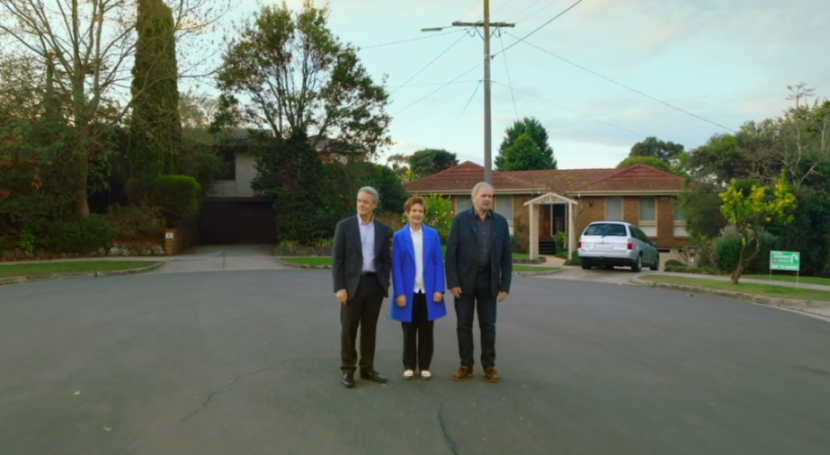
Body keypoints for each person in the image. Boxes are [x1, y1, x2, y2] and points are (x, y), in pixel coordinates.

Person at [445, 182, 512, 383]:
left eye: (490, 196)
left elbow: (506, 257)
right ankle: (466, 365)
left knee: (488, 326)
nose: (487, 199)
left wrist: (505, 285)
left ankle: (488, 366)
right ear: (473, 197)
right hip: (464, 283)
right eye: (483, 196)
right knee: (464, 326)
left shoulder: (500, 222)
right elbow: (451, 255)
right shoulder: (460, 220)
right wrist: (453, 282)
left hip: (488, 282)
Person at [332, 187, 393, 388]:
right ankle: (348, 370)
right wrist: (340, 288)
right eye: (359, 200)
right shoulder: (345, 226)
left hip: (373, 285)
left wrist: (383, 282)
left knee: (369, 330)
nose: (361, 204)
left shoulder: (382, 230)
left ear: (374, 204)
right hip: (351, 286)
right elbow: (337, 260)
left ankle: (367, 368)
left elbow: (385, 259)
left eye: (366, 202)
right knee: (348, 330)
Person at [390, 196, 447, 381]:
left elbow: (439, 263)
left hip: (428, 291)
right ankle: (408, 365)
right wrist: (399, 292)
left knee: (426, 330)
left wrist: (439, 288)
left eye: (420, 211)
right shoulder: (399, 236)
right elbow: (396, 266)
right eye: (413, 210)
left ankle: (424, 366)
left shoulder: (432, 234)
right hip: (408, 292)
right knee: (408, 330)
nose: (417, 214)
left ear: (424, 214)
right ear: (407, 213)